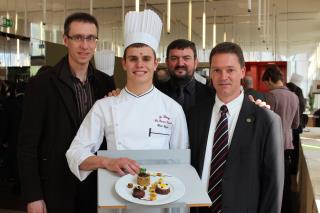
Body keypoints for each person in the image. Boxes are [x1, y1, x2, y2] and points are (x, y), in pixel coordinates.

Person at [66, 9, 188, 212]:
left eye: (146, 58)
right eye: (133, 58)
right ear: (123, 63)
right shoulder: (104, 106)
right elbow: (75, 153)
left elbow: (182, 164)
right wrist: (107, 162)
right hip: (115, 199)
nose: (139, 64)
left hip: (161, 202)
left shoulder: (173, 109)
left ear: (156, 63)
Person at [17, 12, 115, 213]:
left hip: (94, 182)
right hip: (55, 183)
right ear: (65, 40)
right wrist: (33, 196)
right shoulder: (42, 84)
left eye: (90, 38)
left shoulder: (105, 83)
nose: (84, 45)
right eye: (78, 37)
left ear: (96, 42)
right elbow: (27, 146)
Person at [187, 42, 284, 213]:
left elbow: (273, 186)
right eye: (216, 70)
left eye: (230, 70)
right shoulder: (195, 116)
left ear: (242, 71)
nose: (223, 76)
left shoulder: (266, 121)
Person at [262, 65, 300, 213]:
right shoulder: (294, 96)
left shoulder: (271, 96)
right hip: (287, 144)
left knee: (273, 180)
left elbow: (266, 121)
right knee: (285, 180)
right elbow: (296, 124)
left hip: (273, 144)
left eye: (266, 83)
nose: (266, 86)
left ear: (270, 79)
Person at [156, 39, 215, 112]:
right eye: (174, 58)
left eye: (186, 58)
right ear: (167, 63)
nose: (180, 63)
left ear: (195, 63)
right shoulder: (156, 93)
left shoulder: (212, 96)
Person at [286, 82, 306, 175]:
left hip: (293, 129)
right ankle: (294, 171)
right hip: (298, 129)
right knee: (295, 153)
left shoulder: (293, 99)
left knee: (292, 152)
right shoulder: (300, 99)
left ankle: (292, 171)